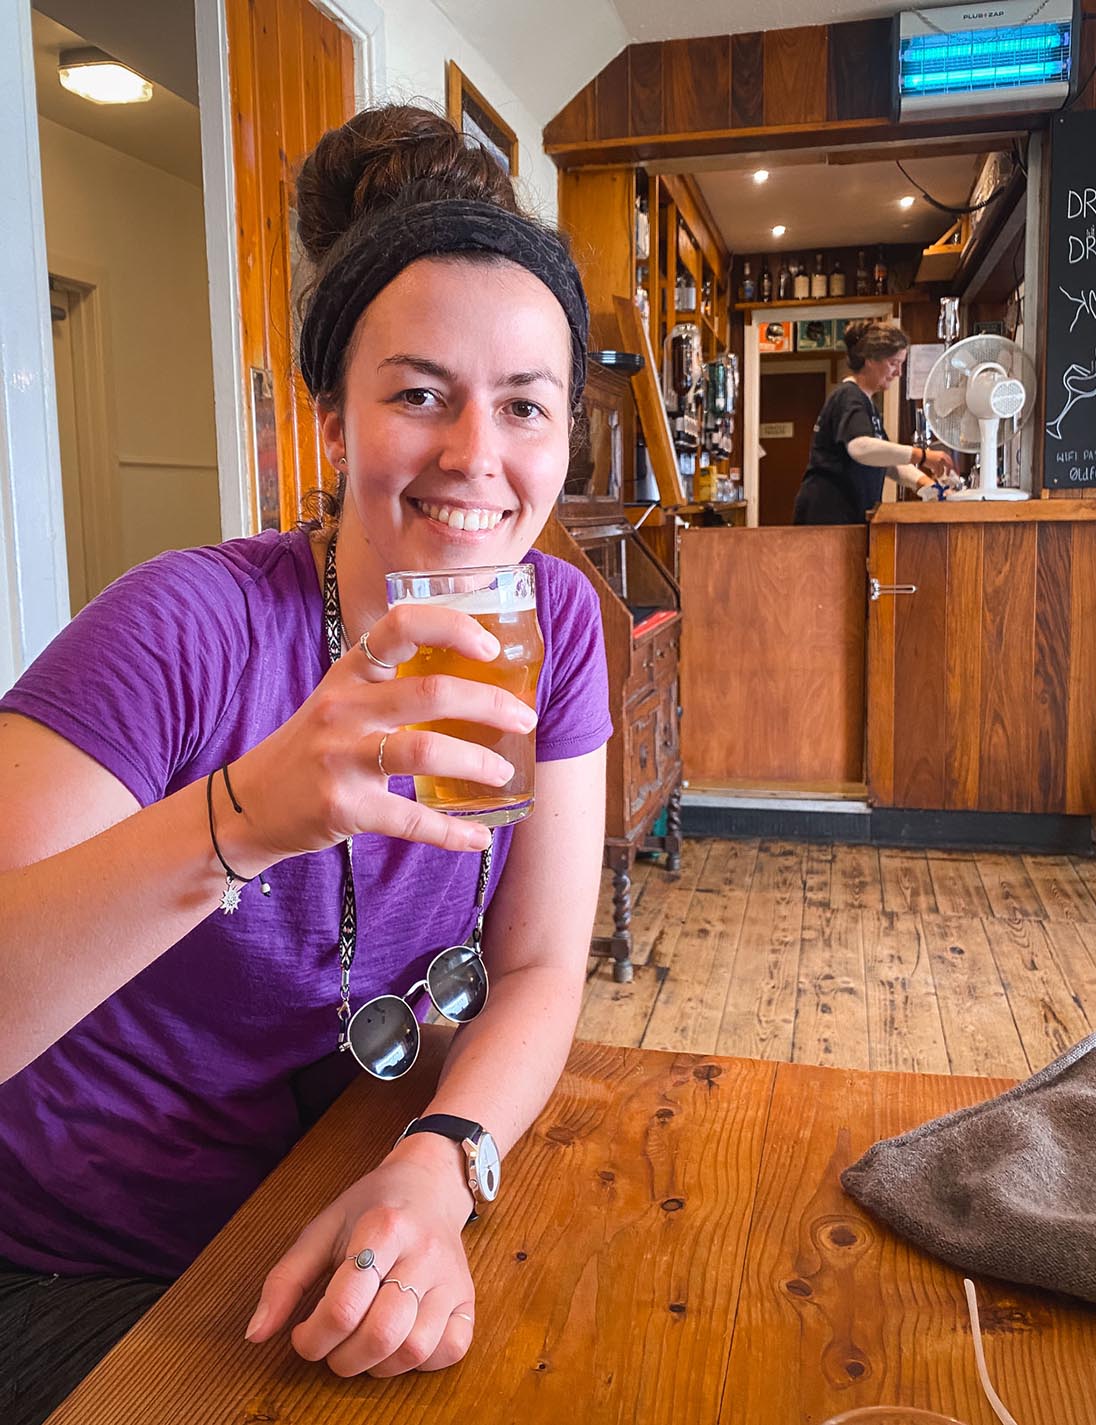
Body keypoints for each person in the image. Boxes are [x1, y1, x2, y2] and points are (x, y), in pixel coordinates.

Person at [0, 104, 612, 1424]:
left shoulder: (553, 623)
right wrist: (242, 819)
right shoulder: (188, 626)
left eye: (526, 407)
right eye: (418, 395)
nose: (476, 459)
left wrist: (442, 1160)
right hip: (74, 1254)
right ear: (330, 422)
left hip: (333, 1182)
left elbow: (542, 961)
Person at [792, 318, 958, 525]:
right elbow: (860, 448)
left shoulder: (866, 404)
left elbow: (887, 460)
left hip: (848, 514)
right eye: (893, 363)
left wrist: (927, 486)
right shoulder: (848, 397)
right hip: (828, 516)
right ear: (870, 359)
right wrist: (923, 456)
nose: (898, 372)